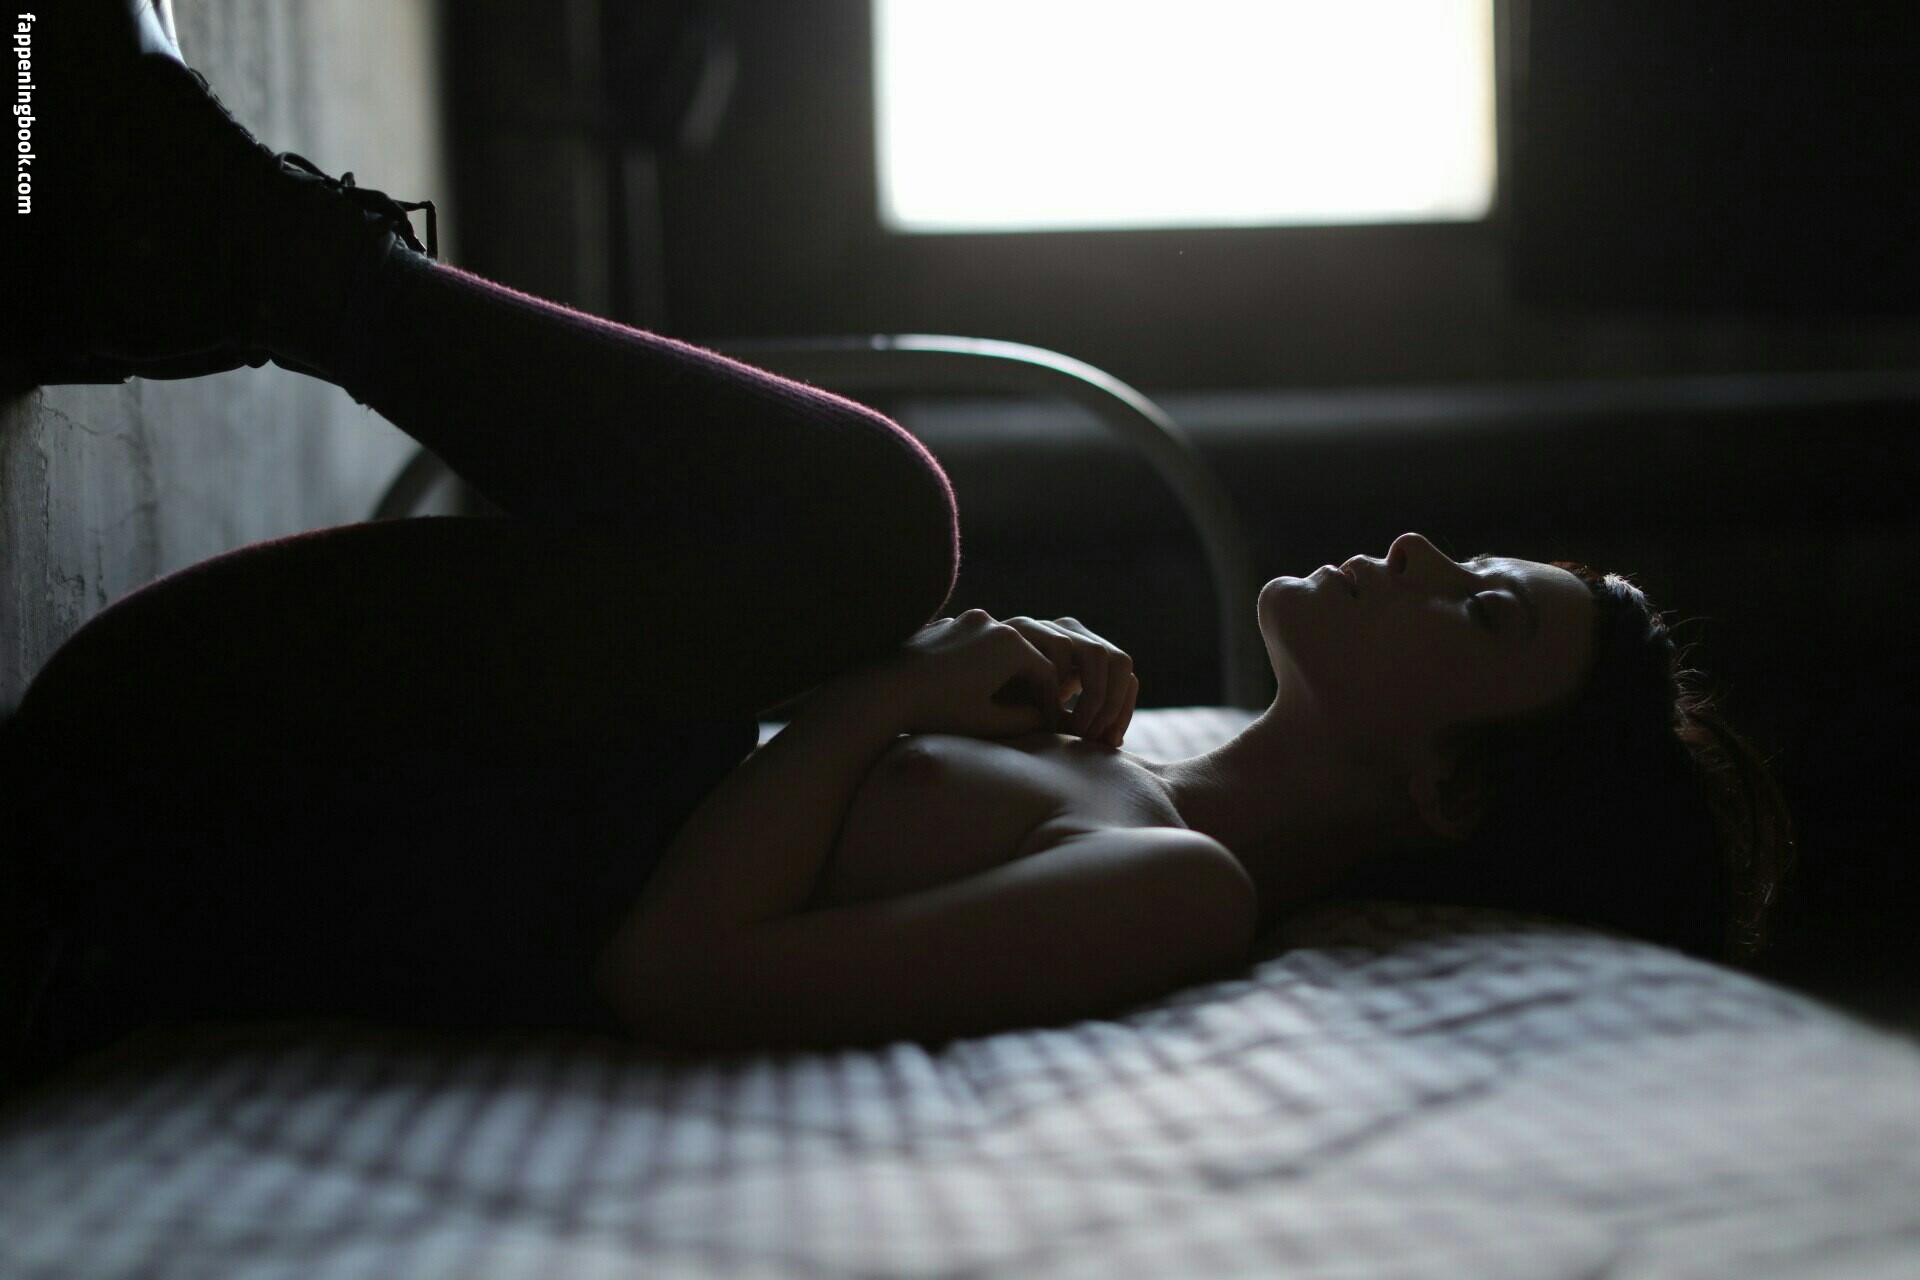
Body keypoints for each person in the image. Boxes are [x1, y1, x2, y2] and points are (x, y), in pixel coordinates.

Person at [3, 4, 1794, 1071]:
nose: (1415, 552)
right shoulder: (1119, 770)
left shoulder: (1181, 889)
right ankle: (212, 261)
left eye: (1480, 612)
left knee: (876, 531)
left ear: (1450, 793)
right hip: (282, 742)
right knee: (868, 557)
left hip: (260, 842)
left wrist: (883, 696)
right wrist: (911, 688)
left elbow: (677, 978)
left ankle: (237, 258)